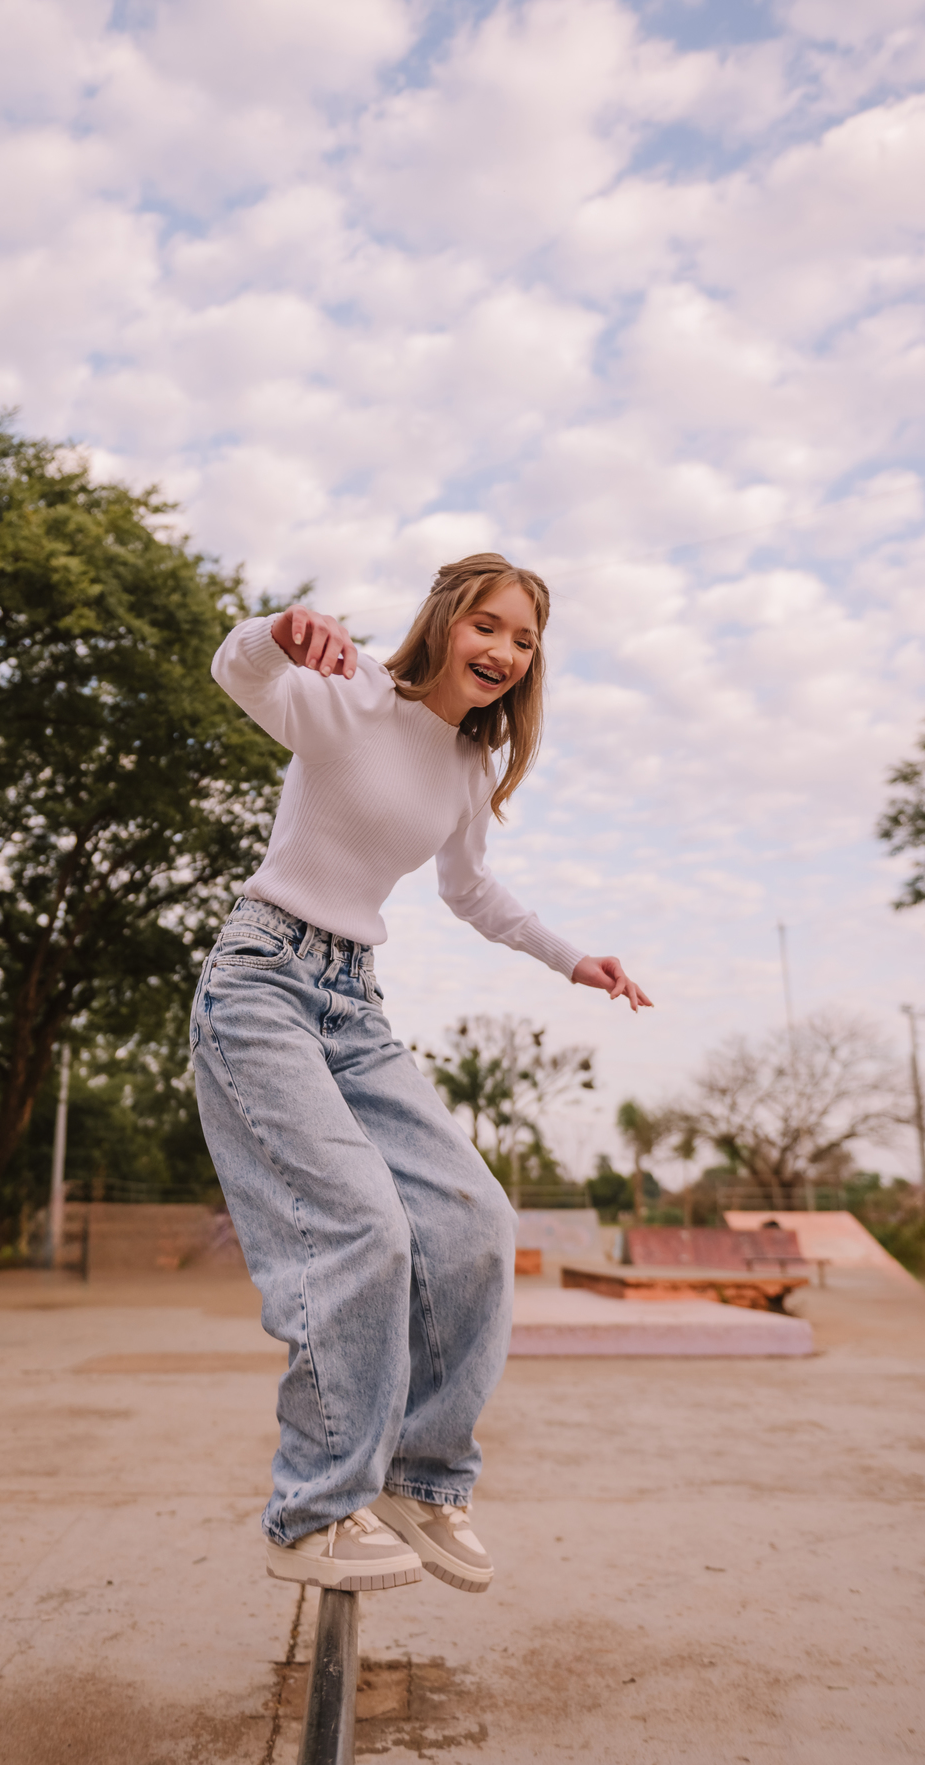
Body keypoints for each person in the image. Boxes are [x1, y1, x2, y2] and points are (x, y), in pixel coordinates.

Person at [191, 552, 651, 1594]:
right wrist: (281, 630)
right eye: (488, 625)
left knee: (475, 1220)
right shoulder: (349, 697)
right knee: (364, 1227)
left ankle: (424, 1476)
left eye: (523, 640)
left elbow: (475, 891)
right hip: (261, 981)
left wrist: (574, 957)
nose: (501, 651)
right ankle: (310, 1514)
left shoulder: (469, 768)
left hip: (354, 1003)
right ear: (446, 620)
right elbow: (240, 673)